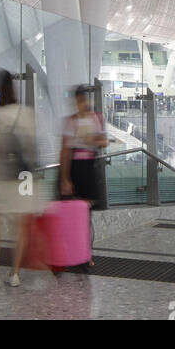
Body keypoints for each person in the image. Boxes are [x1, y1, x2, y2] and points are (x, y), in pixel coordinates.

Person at [0, 69, 41, 288]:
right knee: (19, 230)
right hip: (22, 180)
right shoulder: (25, 113)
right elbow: (32, 149)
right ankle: (14, 274)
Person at [58, 84, 107, 262]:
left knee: (86, 215)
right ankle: (69, 252)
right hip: (74, 168)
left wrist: (95, 140)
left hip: (89, 168)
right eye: (79, 101)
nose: (82, 104)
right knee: (71, 214)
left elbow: (104, 141)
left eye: (83, 100)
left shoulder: (97, 118)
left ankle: (86, 254)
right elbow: (65, 150)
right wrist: (64, 178)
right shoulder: (70, 121)